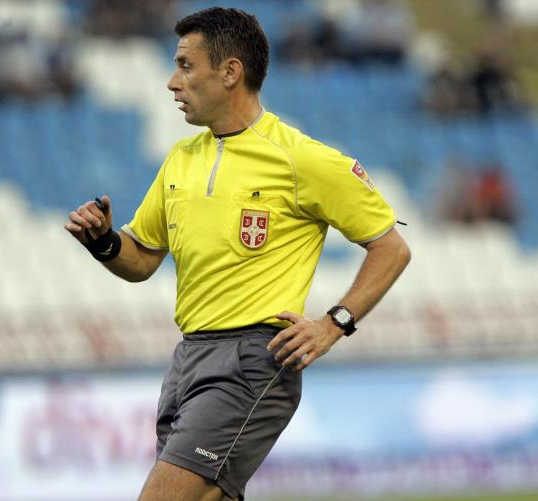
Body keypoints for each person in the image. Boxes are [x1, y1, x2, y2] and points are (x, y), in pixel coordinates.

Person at [65, 7, 411, 501]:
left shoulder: (301, 158)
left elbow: (390, 247)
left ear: (230, 72)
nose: (172, 82)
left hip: (252, 361)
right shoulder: (180, 159)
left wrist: (333, 324)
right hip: (188, 358)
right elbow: (141, 259)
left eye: (185, 65)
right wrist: (103, 242)